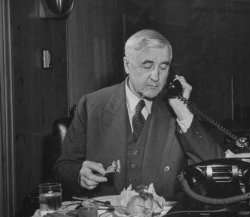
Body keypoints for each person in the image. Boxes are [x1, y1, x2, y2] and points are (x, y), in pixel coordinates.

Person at [54, 29, 224, 200]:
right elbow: (64, 166)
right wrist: (80, 174)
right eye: (147, 66)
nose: (156, 77)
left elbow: (218, 168)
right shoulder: (91, 105)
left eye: (163, 67)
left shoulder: (179, 108)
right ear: (127, 65)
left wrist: (183, 113)